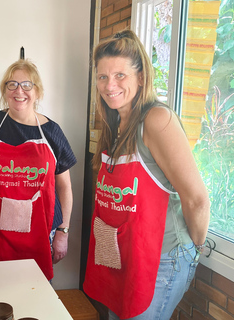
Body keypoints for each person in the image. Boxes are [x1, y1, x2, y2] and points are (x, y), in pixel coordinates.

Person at [83, 29, 210, 319]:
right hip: (124, 253)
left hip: (160, 259)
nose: (109, 85)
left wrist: (195, 250)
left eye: (120, 76)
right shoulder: (115, 123)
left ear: (141, 78)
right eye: (102, 77)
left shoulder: (156, 119)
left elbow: (197, 199)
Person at [0, 59, 77, 281]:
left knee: (33, 294)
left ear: (37, 92)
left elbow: (64, 187)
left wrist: (63, 232)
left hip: (39, 233)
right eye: (12, 84)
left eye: (27, 85)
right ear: (4, 91)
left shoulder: (52, 132)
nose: (19, 91)